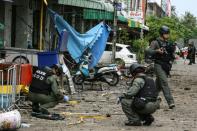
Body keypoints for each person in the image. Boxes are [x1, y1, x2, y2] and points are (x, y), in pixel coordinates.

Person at [146, 25, 175, 109]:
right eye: (166, 34)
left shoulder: (168, 43)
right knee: (164, 82)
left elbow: (171, 54)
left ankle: (151, 99)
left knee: (157, 85)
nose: (168, 35)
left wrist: (173, 55)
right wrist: (157, 51)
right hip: (158, 64)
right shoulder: (155, 42)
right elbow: (148, 51)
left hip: (166, 66)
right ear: (162, 34)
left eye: (168, 33)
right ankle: (171, 102)